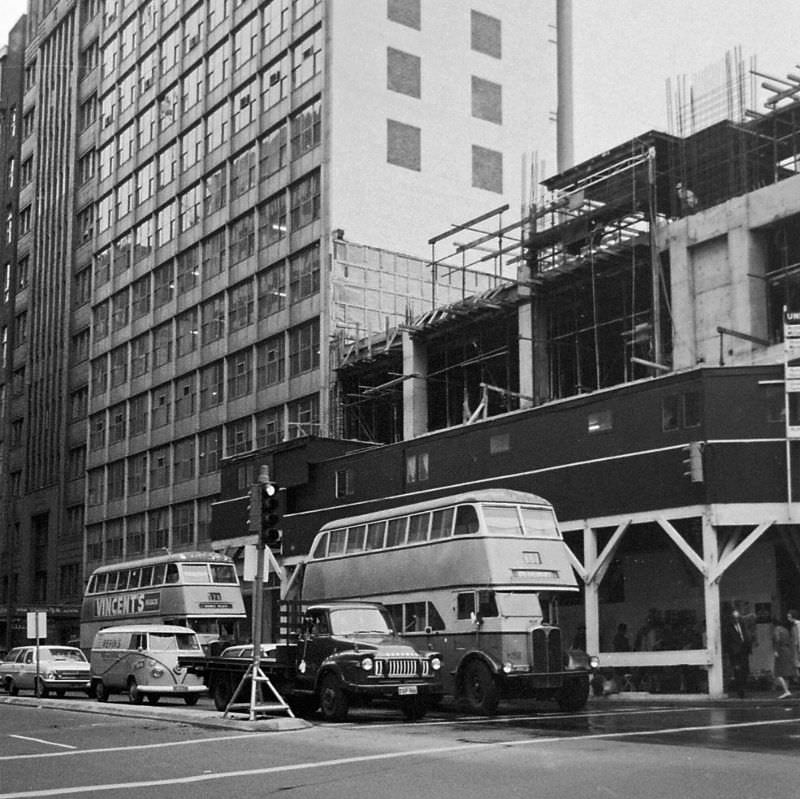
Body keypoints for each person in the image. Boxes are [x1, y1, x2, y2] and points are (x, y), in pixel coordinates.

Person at [723, 608, 752, 698]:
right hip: (735, 653)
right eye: (735, 618)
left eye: (738, 617)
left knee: (745, 671)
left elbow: (746, 635)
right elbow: (727, 641)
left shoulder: (742, 625)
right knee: (738, 672)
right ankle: (740, 691)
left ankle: (743, 687)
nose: (736, 619)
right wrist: (730, 652)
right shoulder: (728, 628)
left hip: (744, 651)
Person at [772, 618, 793, 699]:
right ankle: (786, 690)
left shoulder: (777, 630)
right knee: (785, 673)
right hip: (787, 650)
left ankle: (786, 691)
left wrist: (776, 650)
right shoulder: (786, 630)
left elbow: (777, 640)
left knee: (778, 672)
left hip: (781, 651)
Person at [787, 609, 800, 678]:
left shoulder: (798, 625)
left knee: (797, 663)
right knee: (795, 665)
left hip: (797, 647)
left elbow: (799, 636)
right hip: (794, 647)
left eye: (789, 616)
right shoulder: (793, 625)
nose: (788, 618)